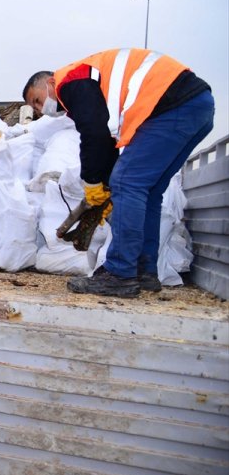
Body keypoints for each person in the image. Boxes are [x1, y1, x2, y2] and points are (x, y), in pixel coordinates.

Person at [23, 48, 214, 298]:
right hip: (196, 105)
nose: (40, 110)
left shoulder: (70, 81)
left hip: (172, 104)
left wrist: (93, 182)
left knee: (127, 183)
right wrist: (106, 185)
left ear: (50, 82)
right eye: (35, 108)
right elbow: (107, 141)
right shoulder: (90, 83)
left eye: (37, 100)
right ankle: (144, 271)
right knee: (149, 191)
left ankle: (120, 274)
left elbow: (93, 134)